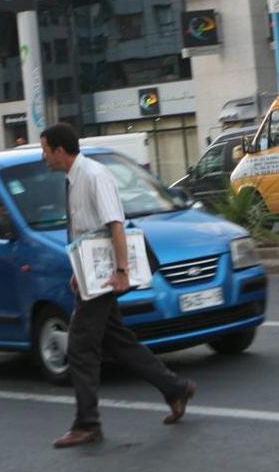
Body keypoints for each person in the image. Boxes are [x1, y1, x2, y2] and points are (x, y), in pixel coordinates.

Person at [40, 123, 195, 448]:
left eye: (45, 150)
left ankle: (87, 424)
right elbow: (87, 231)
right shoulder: (73, 178)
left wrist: (122, 271)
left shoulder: (94, 176)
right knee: (118, 341)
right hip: (94, 273)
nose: (43, 158)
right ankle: (175, 387)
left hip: (108, 275)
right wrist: (79, 271)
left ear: (59, 150)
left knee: (80, 347)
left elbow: (115, 226)